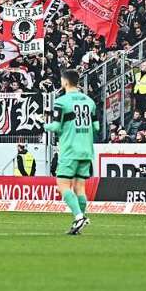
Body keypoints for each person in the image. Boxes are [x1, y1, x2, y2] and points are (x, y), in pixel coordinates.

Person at [45, 69, 98, 235]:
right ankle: (79, 219)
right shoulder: (90, 102)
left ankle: (79, 216)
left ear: (65, 82)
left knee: (63, 185)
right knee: (80, 187)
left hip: (70, 149)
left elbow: (55, 126)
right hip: (86, 150)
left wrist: (43, 124)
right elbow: (96, 127)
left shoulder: (62, 102)